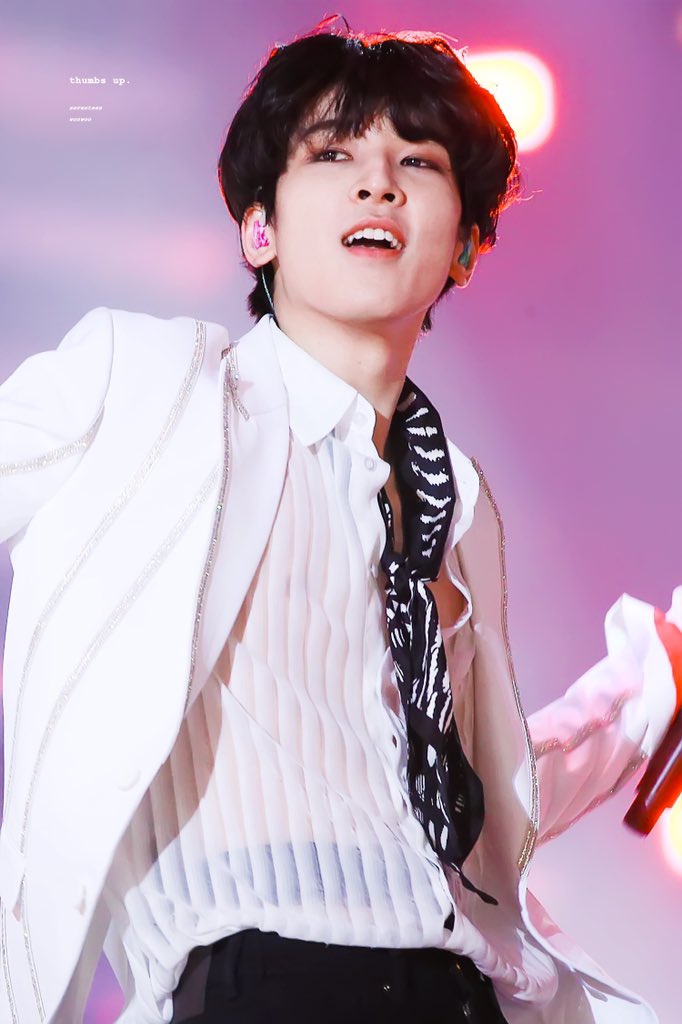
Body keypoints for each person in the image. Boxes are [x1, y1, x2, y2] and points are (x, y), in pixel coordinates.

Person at [0, 16, 680, 1024]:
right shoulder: (146, 387)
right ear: (259, 229)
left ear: (465, 246)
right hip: (259, 988)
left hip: (452, 993)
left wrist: (643, 691)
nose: (378, 185)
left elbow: (451, 809)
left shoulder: (453, 502)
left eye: (417, 161)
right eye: (333, 155)